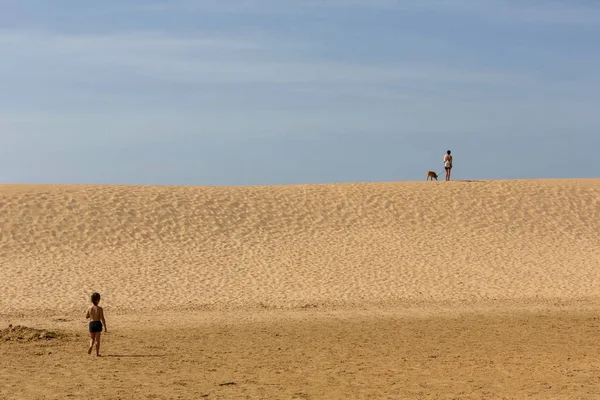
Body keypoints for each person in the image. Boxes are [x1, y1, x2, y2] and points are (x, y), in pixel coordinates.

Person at [86, 292, 107, 356]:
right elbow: (102, 318)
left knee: (92, 338)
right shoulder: (100, 309)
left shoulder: (89, 308)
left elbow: (86, 316)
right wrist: (105, 326)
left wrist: (91, 315)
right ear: (98, 300)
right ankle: (97, 353)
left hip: (91, 323)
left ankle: (90, 346)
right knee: (97, 339)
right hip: (98, 323)